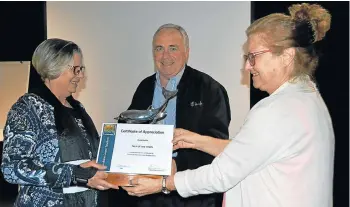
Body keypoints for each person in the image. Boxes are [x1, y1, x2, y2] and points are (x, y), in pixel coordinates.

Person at [123, 3, 335, 207]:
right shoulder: (307, 98)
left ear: (287, 56)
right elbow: (249, 152)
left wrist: (163, 183)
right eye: (159, 48)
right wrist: (198, 141)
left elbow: (221, 174)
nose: (247, 66)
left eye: (253, 57)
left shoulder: (275, 110)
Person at [113, 23, 231, 207]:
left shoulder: (209, 89)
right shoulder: (144, 88)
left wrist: (178, 164)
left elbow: (216, 144)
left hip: (192, 195)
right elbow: (129, 130)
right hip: (147, 194)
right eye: (159, 48)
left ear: (186, 52)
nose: (165, 55)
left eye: (173, 48)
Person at [1, 38, 118, 206]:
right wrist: (74, 173)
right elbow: (12, 168)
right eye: (76, 69)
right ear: (55, 67)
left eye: (81, 69)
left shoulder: (78, 108)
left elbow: (91, 158)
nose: (81, 75)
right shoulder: (27, 109)